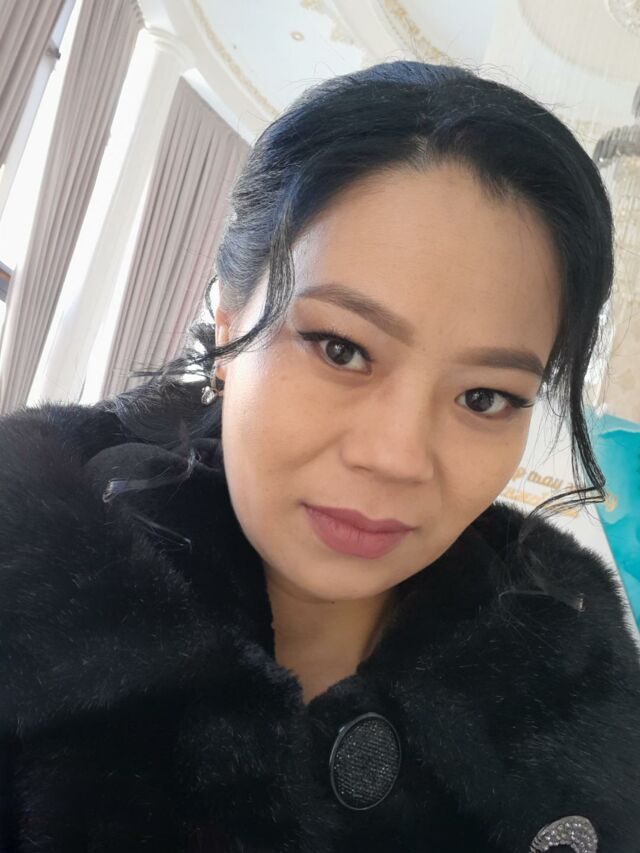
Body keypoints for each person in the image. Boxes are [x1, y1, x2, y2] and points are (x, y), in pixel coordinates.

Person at [0, 60, 638, 853]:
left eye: (483, 397)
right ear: (230, 317)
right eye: (341, 348)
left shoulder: (573, 685)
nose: (397, 456)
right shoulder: (27, 577)